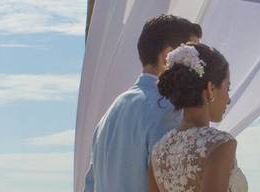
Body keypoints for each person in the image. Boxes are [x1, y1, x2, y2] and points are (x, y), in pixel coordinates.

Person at [84, 14, 202, 192]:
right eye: (194, 57)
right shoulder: (169, 110)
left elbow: (90, 186)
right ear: (167, 57)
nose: (201, 67)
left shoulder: (110, 113)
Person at [149, 42, 247, 192]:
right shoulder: (220, 145)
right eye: (228, 88)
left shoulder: (158, 151)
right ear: (211, 88)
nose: (228, 99)